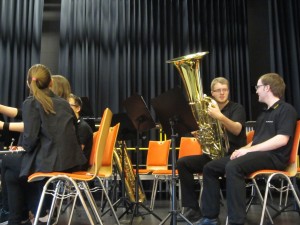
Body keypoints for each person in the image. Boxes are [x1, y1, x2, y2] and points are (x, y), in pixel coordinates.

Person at [196, 73, 298, 225]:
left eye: (258, 87)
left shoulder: (286, 110)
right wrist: (242, 149)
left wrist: (248, 150)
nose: (256, 91)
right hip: (260, 155)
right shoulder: (264, 114)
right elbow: (256, 141)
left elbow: (281, 140)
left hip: (275, 157)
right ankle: (210, 217)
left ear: (267, 88)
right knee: (210, 167)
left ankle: (236, 221)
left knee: (234, 166)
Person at [4, 64, 87, 225]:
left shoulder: (31, 103)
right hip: (71, 162)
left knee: (7, 162)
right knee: (12, 172)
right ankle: (21, 216)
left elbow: (30, 139)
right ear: (50, 83)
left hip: (50, 163)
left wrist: (23, 148)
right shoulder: (64, 103)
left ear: (29, 84)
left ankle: (13, 216)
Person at [176, 77, 247, 222]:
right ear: (212, 93)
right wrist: (199, 134)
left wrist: (219, 116)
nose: (222, 93)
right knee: (182, 163)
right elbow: (206, 134)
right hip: (214, 154)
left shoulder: (236, 108)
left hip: (232, 154)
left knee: (209, 167)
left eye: (225, 90)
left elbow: (237, 130)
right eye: (218, 90)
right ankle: (193, 209)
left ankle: (211, 215)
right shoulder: (206, 110)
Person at [68, 93, 93, 169]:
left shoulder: (82, 127)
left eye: (69, 105)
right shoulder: (74, 125)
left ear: (78, 108)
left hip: (78, 166)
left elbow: (77, 153)